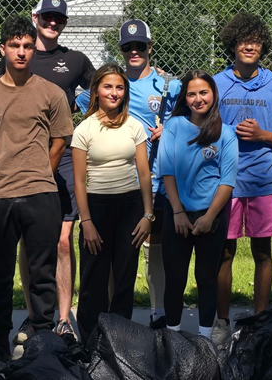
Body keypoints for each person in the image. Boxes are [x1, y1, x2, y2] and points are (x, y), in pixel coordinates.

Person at [0, 16, 73, 365]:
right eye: (14, 45)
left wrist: (42, 171)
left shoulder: (51, 93)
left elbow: (60, 140)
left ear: (33, 50)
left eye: (27, 46)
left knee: (42, 272)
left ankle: (42, 343)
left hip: (41, 194)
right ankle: (0, 342)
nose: (21, 52)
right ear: (2, 48)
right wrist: (3, 171)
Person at [73, 19, 180, 330]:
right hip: (101, 197)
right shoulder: (97, 105)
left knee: (144, 256)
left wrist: (169, 128)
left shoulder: (167, 86)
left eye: (140, 46)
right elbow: (75, 104)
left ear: (150, 47)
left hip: (151, 183)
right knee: (100, 267)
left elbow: (188, 117)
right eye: (127, 46)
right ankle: (97, 330)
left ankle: (154, 315)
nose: (134, 51)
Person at [3, 0, 96, 343]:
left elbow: (105, 87)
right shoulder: (20, 56)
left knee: (61, 240)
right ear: (35, 17)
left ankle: (63, 318)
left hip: (64, 156)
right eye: (47, 17)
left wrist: (86, 124)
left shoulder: (75, 60)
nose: (52, 23)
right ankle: (34, 317)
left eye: (59, 18)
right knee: (29, 240)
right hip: (25, 158)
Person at [212, 11, 272, 344]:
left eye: (256, 41)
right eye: (244, 40)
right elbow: (202, 130)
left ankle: (260, 321)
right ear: (233, 44)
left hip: (262, 181)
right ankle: (221, 320)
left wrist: (262, 135)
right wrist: (226, 134)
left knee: (262, 251)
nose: (250, 46)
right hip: (224, 182)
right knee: (224, 252)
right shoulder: (216, 84)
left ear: (263, 46)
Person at [71, 64, 154, 344]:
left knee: (124, 279)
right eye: (108, 86)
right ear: (96, 90)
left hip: (130, 207)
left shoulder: (134, 125)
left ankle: (120, 342)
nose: (114, 92)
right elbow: (79, 181)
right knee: (93, 279)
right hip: (96, 209)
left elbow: (144, 173)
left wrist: (148, 215)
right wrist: (86, 222)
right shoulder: (84, 128)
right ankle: (90, 343)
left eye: (119, 87)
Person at [158, 70, 238, 339]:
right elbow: (167, 171)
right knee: (175, 277)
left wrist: (209, 217)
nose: (198, 99)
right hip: (177, 213)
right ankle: (172, 337)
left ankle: (204, 339)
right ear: (184, 98)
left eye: (203, 92)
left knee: (206, 277)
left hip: (211, 216)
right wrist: (178, 211)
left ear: (213, 94)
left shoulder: (226, 133)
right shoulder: (174, 126)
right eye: (191, 94)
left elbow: (227, 181)